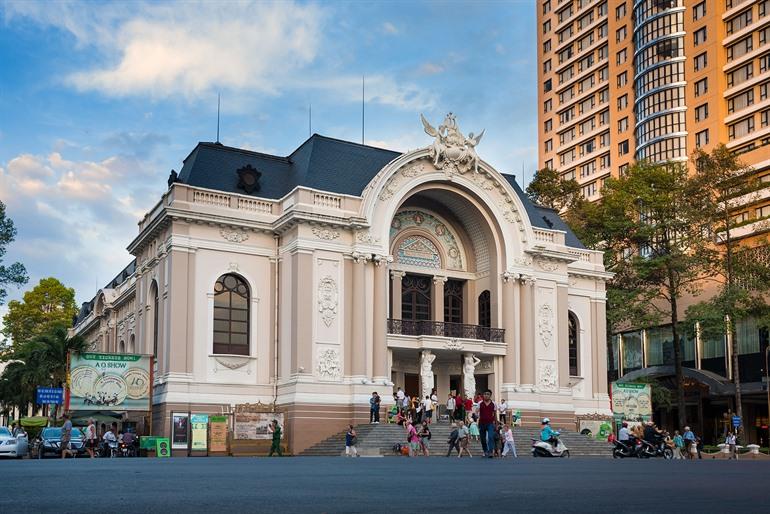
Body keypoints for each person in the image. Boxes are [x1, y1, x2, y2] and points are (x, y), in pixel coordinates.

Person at [478, 389, 497, 458]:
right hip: (481, 423)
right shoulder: (480, 403)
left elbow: (495, 414)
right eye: (485, 394)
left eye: (488, 394)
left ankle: (491, 452)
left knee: (490, 437)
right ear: (483, 395)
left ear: (490, 396)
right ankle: (485, 450)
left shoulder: (494, 404)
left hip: (490, 423)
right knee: (483, 439)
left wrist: (496, 424)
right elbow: (476, 412)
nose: (486, 395)